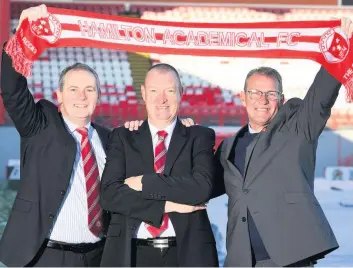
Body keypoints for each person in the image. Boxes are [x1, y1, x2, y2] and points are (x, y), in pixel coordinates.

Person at [212, 18, 353, 267]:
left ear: (281, 98)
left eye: (271, 94)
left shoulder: (298, 130)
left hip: (289, 260)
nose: (263, 100)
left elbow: (321, 95)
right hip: (241, 261)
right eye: (255, 93)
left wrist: (339, 48)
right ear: (243, 97)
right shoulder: (228, 148)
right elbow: (201, 186)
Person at [0, 5, 110, 266]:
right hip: (46, 256)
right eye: (73, 89)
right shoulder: (40, 124)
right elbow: (11, 88)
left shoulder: (110, 139)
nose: (81, 97)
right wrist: (20, 37)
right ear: (59, 95)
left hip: (99, 256)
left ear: (98, 96)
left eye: (89, 90)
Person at [99, 63, 219, 267]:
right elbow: (110, 195)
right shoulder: (122, 137)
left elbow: (201, 188)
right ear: (144, 93)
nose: (161, 99)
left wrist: (145, 183)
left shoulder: (200, 136)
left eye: (170, 91)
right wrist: (166, 205)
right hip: (132, 253)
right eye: (154, 90)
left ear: (181, 93)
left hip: (187, 254)